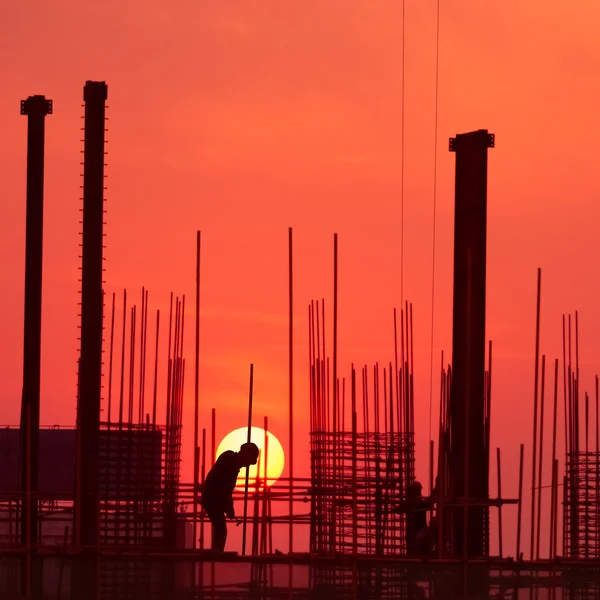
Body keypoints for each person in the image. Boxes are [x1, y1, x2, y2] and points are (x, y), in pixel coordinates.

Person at [200, 442, 259, 552]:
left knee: (220, 529)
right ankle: (216, 553)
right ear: (244, 454)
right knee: (221, 530)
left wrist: (228, 507)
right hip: (212, 498)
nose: (246, 465)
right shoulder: (229, 459)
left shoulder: (232, 464)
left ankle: (216, 552)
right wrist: (228, 507)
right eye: (248, 461)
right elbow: (223, 486)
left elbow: (226, 490)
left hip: (214, 498)